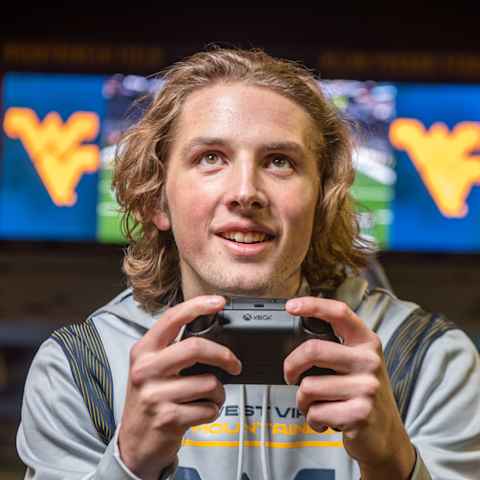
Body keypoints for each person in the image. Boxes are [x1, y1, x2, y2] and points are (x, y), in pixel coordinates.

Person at [17, 47, 480, 480]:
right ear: (157, 199)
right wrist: (129, 463)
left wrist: (394, 464)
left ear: (322, 202)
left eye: (279, 161)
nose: (245, 193)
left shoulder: (429, 360)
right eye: (210, 158)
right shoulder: (79, 368)